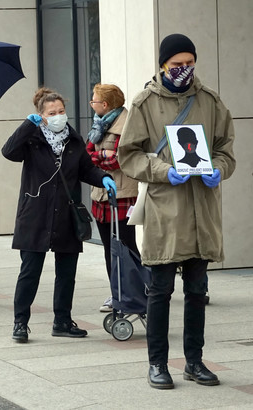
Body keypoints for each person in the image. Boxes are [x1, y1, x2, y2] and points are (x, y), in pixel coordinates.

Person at [118, 33, 236, 389]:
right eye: (176, 65)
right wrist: (161, 171)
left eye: (189, 64)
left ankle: (194, 361)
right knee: (160, 290)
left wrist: (219, 168)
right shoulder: (144, 103)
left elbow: (226, 149)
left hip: (202, 208)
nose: (183, 70)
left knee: (198, 290)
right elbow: (129, 155)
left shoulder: (210, 101)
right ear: (163, 65)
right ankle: (157, 363)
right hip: (165, 209)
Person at [2, 87, 115, 342]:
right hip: (35, 214)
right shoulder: (31, 139)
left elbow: (86, 169)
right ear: (41, 116)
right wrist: (25, 127)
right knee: (30, 271)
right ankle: (20, 322)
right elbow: (8, 152)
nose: (58, 116)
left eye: (61, 111)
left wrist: (104, 178)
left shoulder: (73, 141)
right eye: (51, 113)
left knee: (67, 272)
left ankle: (62, 320)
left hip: (66, 214)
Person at [86, 83, 139, 312]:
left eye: (94, 100)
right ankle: (116, 292)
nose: (91, 104)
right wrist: (101, 155)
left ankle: (135, 291)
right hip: (101, 195)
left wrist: (100, 157)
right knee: (109, 248)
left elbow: (120, 160)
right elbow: (86, 155)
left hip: (122, 195)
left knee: (126, 246)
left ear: (105, 104)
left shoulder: (126, 125)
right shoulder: (100, 125)